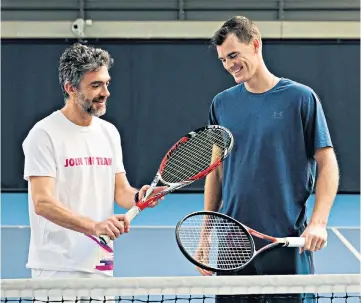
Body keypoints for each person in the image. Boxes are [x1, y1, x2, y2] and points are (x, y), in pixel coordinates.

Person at [197, 16, 339, 302]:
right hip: (233, 244)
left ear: (256, 45)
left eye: (234, 55)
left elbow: (328, 164)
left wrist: (318, 222)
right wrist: (205, 234)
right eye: (223, 59)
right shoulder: (221, 104)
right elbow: (216, 171)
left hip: (286, 242)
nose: (229, 65)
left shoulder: (301, 98)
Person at [22, 43, 166, 282]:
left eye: (106, 83)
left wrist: (139, 197)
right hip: (57, 267)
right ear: (71, 88)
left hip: (101, 262)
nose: (105, 92)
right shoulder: (44, 134)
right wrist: (94, 227)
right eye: (95, 85)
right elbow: (42, 203)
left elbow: (120, 191)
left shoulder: (109, 133)